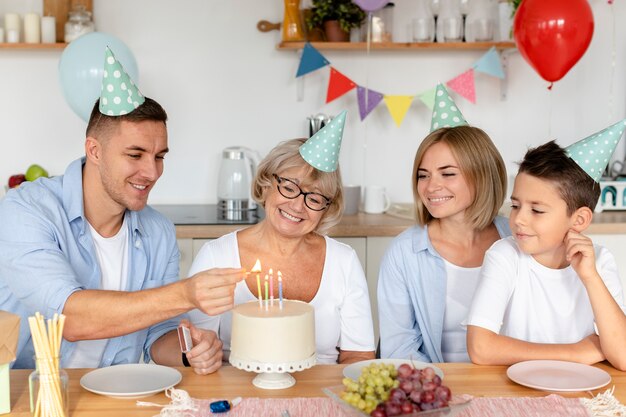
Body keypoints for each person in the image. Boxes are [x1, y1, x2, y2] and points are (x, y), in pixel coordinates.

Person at [0, 47, 243, 373]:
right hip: (28, 397)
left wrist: (189, 351)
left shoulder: (158, 231)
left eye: (159, 157)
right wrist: (186, 294)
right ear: (94, 150)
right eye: (135, 154)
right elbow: (68, 318)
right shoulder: (25, 211)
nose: (153, 172)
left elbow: (157, 334)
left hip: (116, 393)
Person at [189, 111, 376, 364]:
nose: (298, 206)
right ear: (266, 184)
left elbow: (358, 356)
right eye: (289, 187)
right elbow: (199, 345)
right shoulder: (217, 255)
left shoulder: (344, 261)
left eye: (315, 197)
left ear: (326, 208)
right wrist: (201, 354)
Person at [467, 120, 626, 371]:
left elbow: (623, 356)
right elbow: (480, 347)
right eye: (516, 205)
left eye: (537, 210)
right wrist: (575, 353)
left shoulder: (599, 262)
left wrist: (590, 277)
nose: (518, 219)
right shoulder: (505, 255)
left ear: (579, 220)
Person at [377, 84, 510, 362]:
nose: (431, 186)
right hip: (435, 387)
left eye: (447, 174)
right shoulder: (404, 253)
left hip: (507, 381)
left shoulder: (517, 239)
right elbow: (399, 348)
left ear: (482, 175)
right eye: (423, 175)